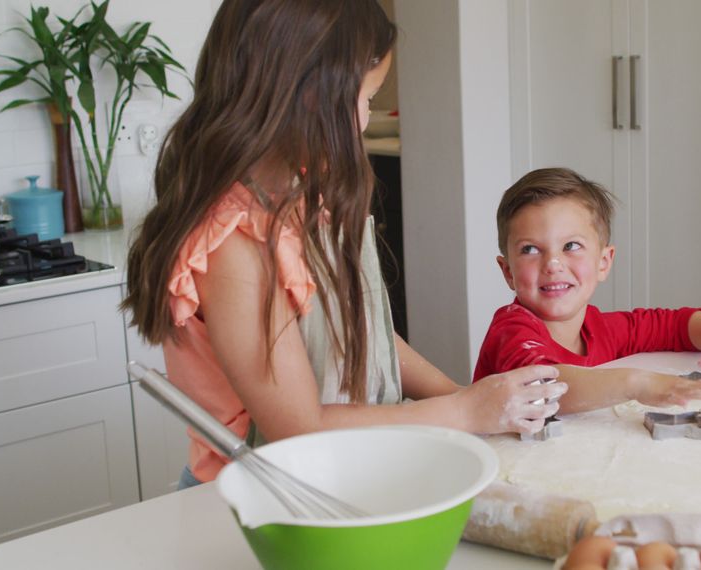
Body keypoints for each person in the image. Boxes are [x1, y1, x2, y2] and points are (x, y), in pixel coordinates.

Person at [122, 0, 565, 489]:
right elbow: (298, 428)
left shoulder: (303, 193)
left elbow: (363, 333)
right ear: (311, 95)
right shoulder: (231, 246)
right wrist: (462, 411)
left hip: (347, 470)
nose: (363, 119)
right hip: (262, 502)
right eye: (367, 98)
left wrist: (466, 395)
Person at [473, 167, 701, 414]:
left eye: (571, 246)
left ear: (604, 262)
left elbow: (677, 324)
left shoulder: (600, 328)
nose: (552, 263)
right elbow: (544, 387)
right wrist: (637, 384)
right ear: (508, 272)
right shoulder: (511, 330)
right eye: (530, 249)